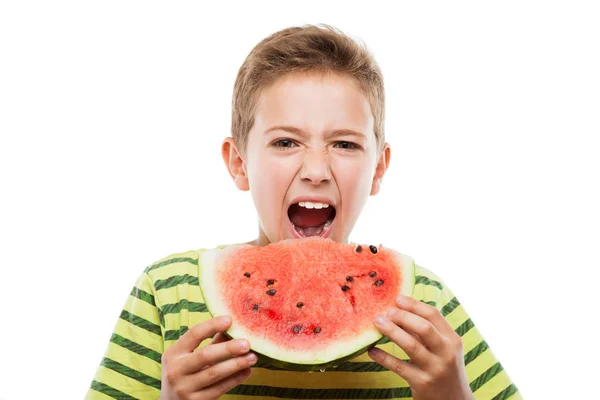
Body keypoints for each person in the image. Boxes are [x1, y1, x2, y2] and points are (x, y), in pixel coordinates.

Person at [86, 24, 521, 400]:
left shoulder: (423, 306)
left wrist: (453, 395)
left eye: (345, 144)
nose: (315, 170)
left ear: (378, 169)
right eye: (286, 142)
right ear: (239, 163)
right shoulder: (168, 292)